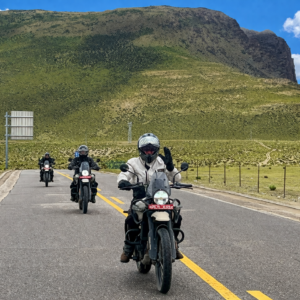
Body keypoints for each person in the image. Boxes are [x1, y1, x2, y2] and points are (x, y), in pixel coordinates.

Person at [117, 133, 183, 263]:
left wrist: (170, 167)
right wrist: (123, 181)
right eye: (146, 149)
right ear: (141, 150)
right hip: (141, 197)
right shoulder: (133, 162)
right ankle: (128, 248)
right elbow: (124, 174)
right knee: (131, 220)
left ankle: (174, 243)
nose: (149, 152)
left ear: (156, 150)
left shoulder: (161, 162)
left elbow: (176, 178)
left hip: (160, 197)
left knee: (177, 215)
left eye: (151, 149)